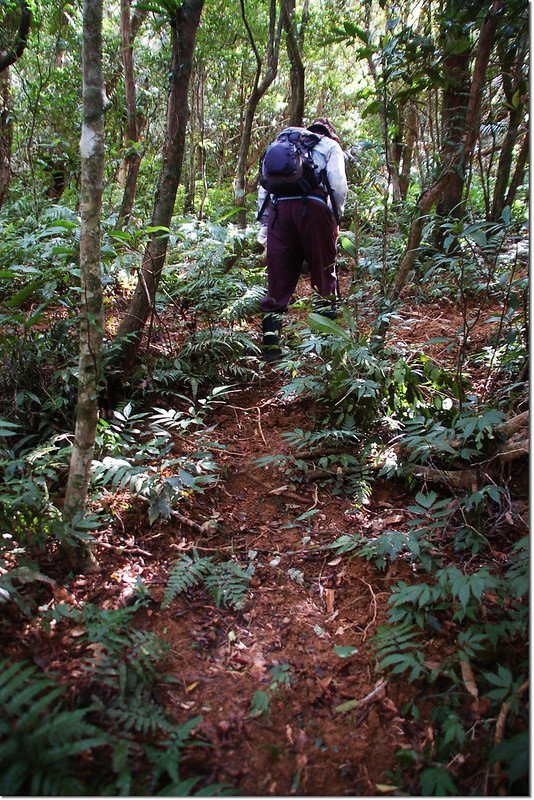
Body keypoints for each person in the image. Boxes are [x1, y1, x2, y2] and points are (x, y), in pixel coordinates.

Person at [257, 117, 348, 362]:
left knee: (278, 279)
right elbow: (338, 186)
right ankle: (325, 349)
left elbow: (264, 187)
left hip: (279, 211)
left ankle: (271, 350)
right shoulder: (330, 146)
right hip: (314, 211)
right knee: (324, 274)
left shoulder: (284, 143)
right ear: (332, 133)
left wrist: (265, 226)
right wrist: (334, 219)